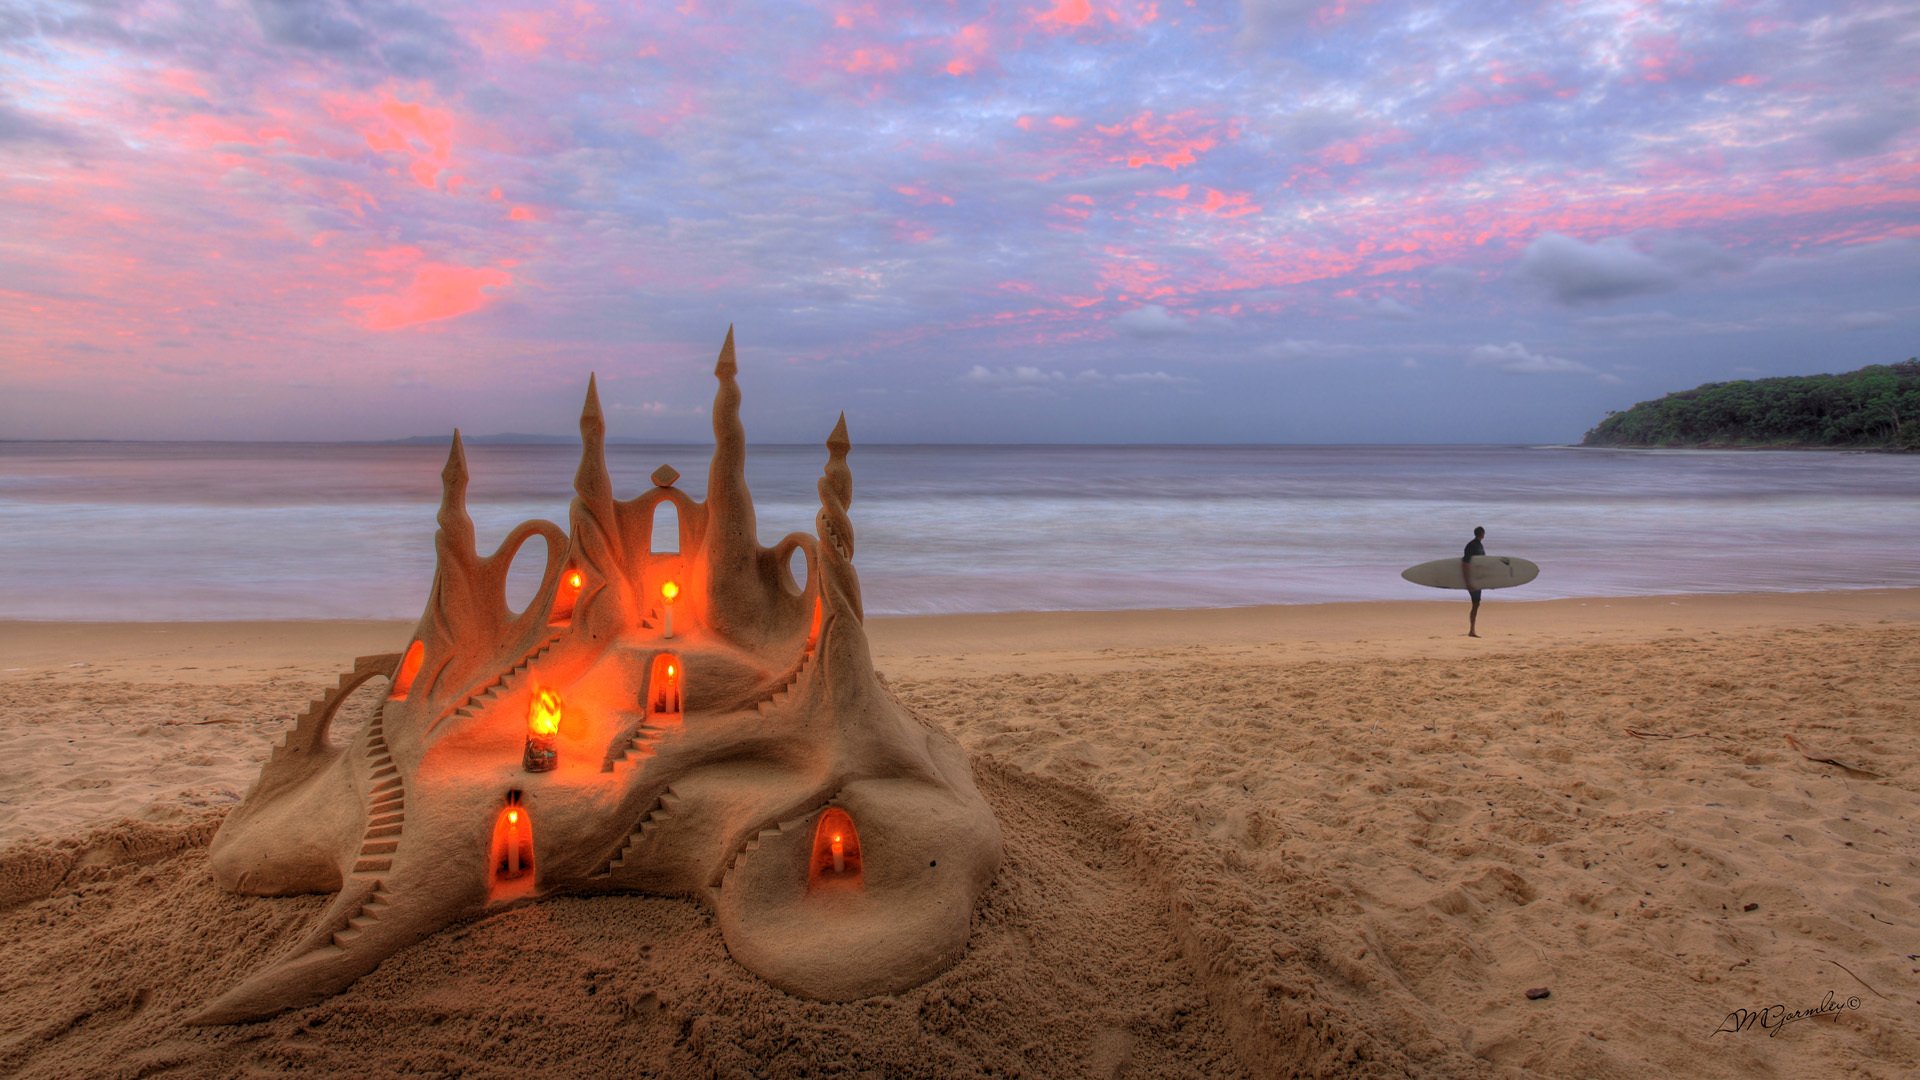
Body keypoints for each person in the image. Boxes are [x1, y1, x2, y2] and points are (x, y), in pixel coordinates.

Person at [1462, 526, 1486, 637]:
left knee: (1476, 604)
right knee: (1475, 603)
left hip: (1477, 579)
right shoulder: (1472, 546)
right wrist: (1468, 582)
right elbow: (1465, 563)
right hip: (1472, 579)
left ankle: (1472, 630)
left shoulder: (1478, 545)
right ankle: (1471, 630)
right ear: (1482, 534)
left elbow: (1483, 562)